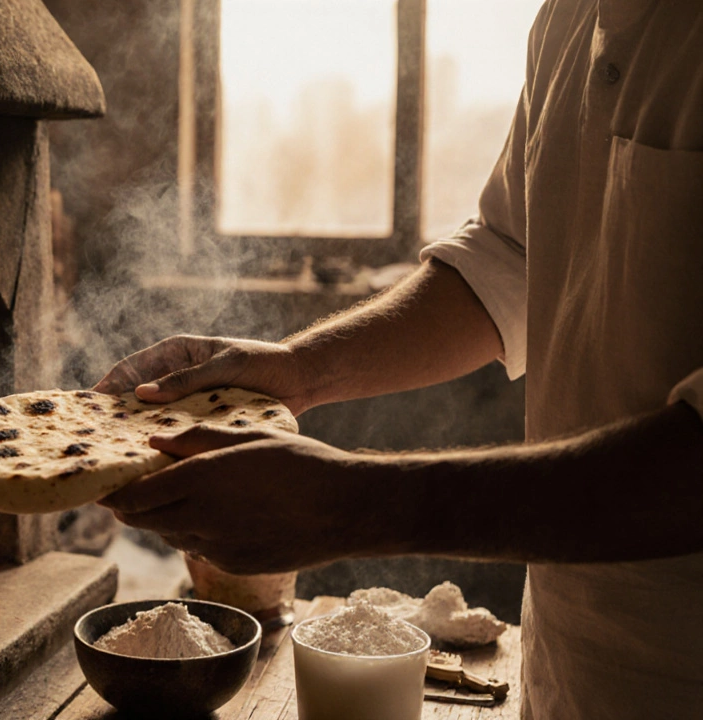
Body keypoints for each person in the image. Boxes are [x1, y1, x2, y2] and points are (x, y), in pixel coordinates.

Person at [93, 1, 703, 717]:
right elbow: (508, 259)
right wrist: (297, 368)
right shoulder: (569, 18)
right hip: (567, 663)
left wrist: (350, 504)